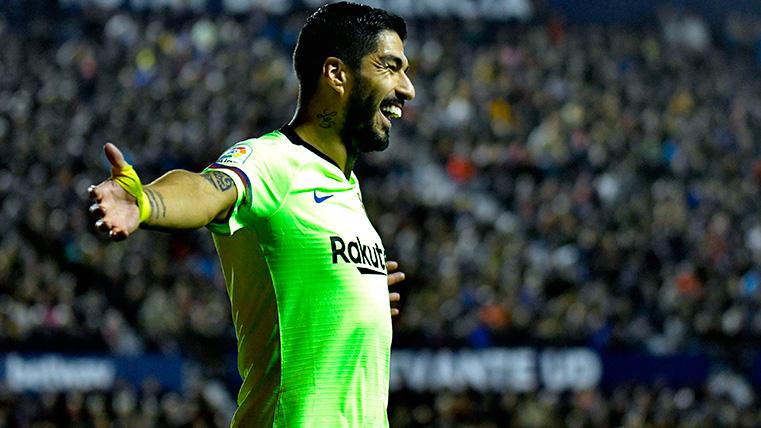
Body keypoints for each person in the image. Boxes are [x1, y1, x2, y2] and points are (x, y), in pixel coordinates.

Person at [87, 2, 415, 426]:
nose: (406, 88)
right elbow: (207, 190)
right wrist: (147, 202)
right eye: (390, 67)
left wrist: (356, 296)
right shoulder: (274, 159)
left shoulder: (347, 187)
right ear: (336, 74)